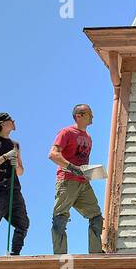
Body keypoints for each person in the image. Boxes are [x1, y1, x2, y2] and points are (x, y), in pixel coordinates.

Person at [49, 104, 104, 254]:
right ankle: (60, 256)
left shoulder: (88, 138)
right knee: (60, 218)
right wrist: (73, 168)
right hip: (67, 181)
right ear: (79, 116)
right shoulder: (66, 132)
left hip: (83, 183)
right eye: (89, 113)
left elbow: (82, 161)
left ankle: (96, 253)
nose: (92, 116)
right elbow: (53, 154)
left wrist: (89, 173)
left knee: (97, 217)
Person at [0, 112, 28, 256]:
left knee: (23, 223)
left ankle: (15, 254)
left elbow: (20, 172)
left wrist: (16, 165)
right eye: (10, 120)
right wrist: (4, 157)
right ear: (1, 123)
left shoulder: (15, 145)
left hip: (14, 190)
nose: (14, 121)